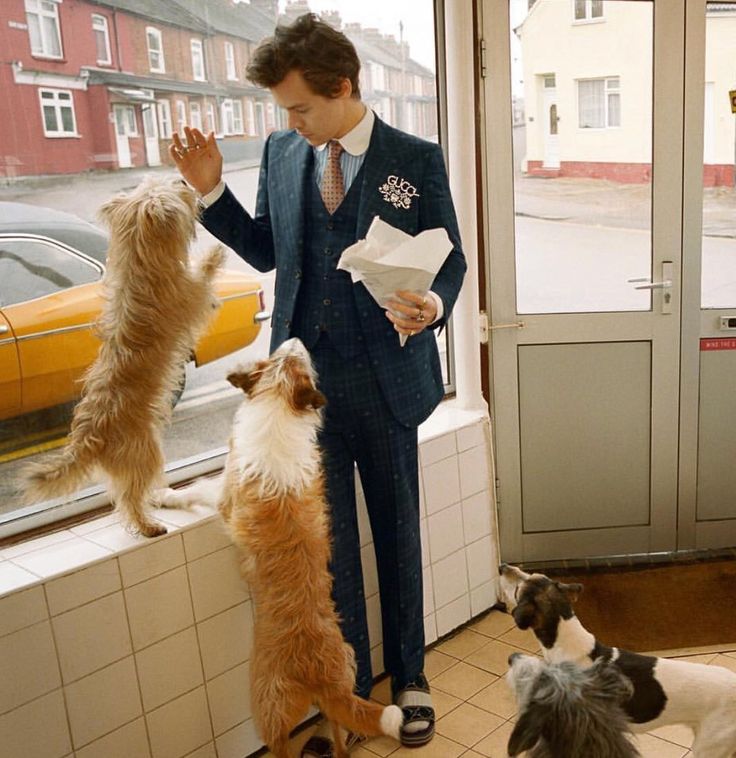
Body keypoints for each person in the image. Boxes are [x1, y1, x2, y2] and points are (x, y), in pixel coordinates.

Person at [170, 13, 466, 755]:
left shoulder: (414, 159)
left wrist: (431, 305)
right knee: (323, 549)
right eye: (283, 111)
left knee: (397, 535)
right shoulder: (280, 151)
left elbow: (450, 262)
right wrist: (211, 194)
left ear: (343, 87)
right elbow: (270, 250)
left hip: (387, 379)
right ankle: (352, 685)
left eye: (301, 107)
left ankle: (410, 679)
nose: (291, 123)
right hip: (302, 395)